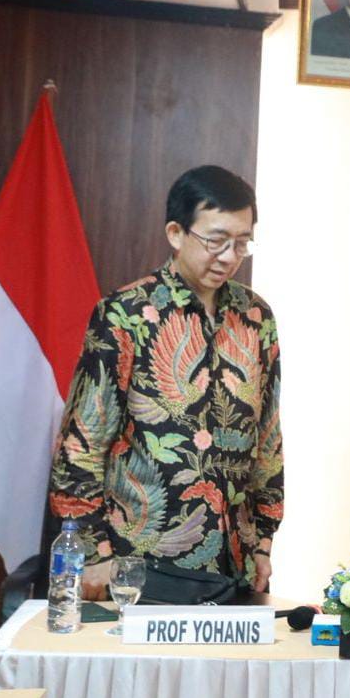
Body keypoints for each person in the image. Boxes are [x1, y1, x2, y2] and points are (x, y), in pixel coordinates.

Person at [48, 166, 283, 600]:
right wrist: (94, 553)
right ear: (176, 233)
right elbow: (81, 443)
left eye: (241, 242)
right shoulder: (126, 315)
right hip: (141, 567)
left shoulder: (256, 318)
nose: (229, 257)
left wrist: (264, 539)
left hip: (235, 564)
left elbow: (267, 436)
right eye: (216, 241)